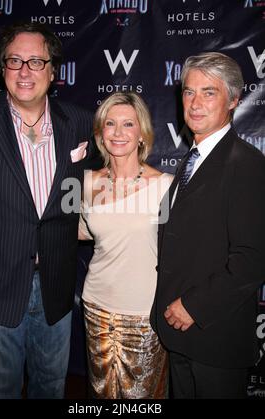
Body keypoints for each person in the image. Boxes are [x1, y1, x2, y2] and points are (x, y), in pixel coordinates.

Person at [0, 22, 99, 399]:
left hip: (57, 284)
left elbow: (107, 180)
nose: (25, 71)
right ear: (2, 68)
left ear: (53, 71)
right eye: (15, 61)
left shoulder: (79, 122)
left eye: (36, 61)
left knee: (50, 388)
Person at [151, 52, 265, 399]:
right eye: (189, 92)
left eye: (209, 92)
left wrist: (194, 307)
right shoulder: (194, 157)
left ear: (233, 100)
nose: (195, 103)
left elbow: (253, 259)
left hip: (215, 334)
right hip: (181, 333)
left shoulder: (247, 164)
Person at [78, 92, 173, 399]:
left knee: (144, 398)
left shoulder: (165, 186)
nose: (118, 133)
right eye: (110, 124)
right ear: (100, 134)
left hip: (145, 315)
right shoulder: (87, 182)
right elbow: (77, 232)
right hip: (96, 307)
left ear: (142, 134)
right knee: (101, 394)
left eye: (128, 124)